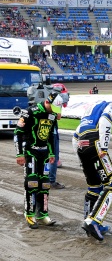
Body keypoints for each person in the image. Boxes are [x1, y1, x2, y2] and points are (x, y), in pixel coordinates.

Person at [74, 101, 112, 241]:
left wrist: (81, 160)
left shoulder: (93, 110)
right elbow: (105, 120)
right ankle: (94, 221)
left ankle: (88, 221)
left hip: (80, 144)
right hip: (95, 143)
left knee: (94, 186)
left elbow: (76, 135)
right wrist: (103, 148)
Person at [14, 90, 66, 229]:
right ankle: (29, 215)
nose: (55, 112)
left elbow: (49, 135)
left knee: (45, 184)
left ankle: (42, 215)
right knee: (32, 183)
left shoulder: (53, 114)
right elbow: (17, 133)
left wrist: (52, 153)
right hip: (30, 152)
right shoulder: (30, 112)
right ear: (47, 101)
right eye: (53, 108)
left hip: (44, 154)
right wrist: (19, 154)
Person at [49, 83, 70, 189]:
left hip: (42, 131)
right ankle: (51, 181)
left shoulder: (43, 100)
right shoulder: (56, 101)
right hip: (52, 131)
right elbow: (58, 117)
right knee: (54, 156)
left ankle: (42, 179)